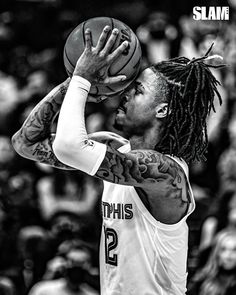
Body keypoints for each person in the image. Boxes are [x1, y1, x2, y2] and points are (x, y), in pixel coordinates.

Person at [12, 25, 223, 294]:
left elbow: (69, 145)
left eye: (138, 91)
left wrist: (82, 79)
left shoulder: (165, 171)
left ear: (162, 109)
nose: (125, 94)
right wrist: (70, 84)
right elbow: (25, 143)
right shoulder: (113, 148)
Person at [187, 229, 236, 295]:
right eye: (223, 249)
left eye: (234, 250)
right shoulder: (202, 279)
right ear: (217, 253)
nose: (228, 256)